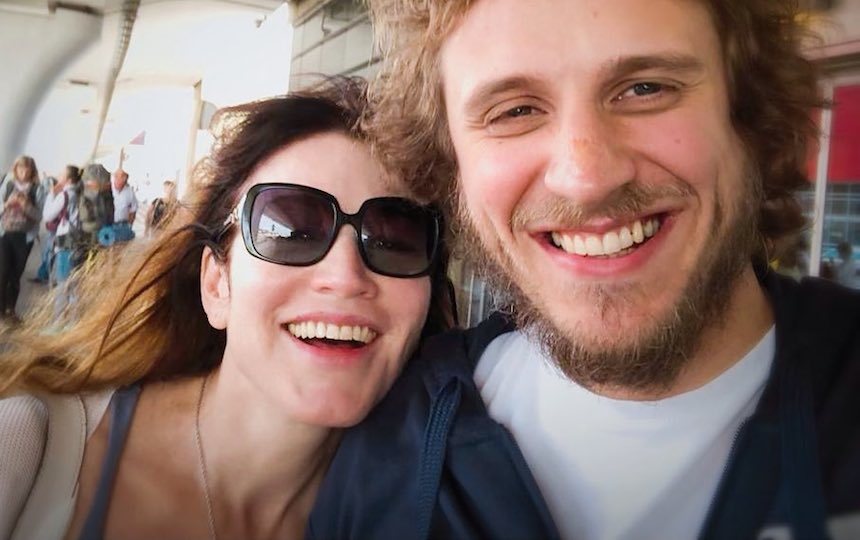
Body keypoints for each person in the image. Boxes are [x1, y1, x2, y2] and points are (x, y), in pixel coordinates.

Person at [310, 1, 860, 539]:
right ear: (452, 169)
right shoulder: (388, 448)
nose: (586, 178)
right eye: (514, 112)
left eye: (646, 88)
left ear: (747, 117)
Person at [0, 78, 454, 540]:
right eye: (290, 231)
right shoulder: (26, 447)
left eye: (393, 240)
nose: (345, 277)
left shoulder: (429, 507)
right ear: (217, 284)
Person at [0, 156, 41, 323]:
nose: (23, 172)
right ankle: (1, 309)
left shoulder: (36, 189)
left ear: (32, 171)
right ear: (15, 170)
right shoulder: (8, 185)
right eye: (20, 169)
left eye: (26, 169)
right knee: (2, 271)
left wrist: (26, 206)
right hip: (5, 233)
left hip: (24, 237)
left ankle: (11, 309)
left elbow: (39, 216)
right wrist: (7, 204)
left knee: (15, 274)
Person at [110, 167, 137, 242]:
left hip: (123, 225)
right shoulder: (108, 189)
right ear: (114, 177)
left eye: (124, 178)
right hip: (109, 225)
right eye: (118, 177)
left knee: (122, 246)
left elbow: (133, 210)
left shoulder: (130, 192)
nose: (121, 181)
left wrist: (129, 225)